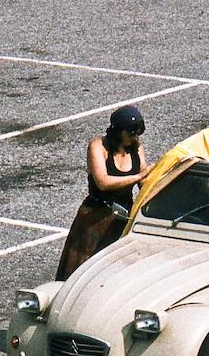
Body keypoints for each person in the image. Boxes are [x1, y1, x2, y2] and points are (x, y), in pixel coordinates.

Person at [55, 105, 151, 280]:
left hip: (123, 216)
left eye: (138, 133)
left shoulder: (136, 147)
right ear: (118, 130)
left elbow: (144, 181)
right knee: (80, 272)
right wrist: (138, 176)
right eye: (131, 133)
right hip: (96, 217)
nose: (135, 137)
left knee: (116, 272)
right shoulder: (97, 146)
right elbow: (103, 182)